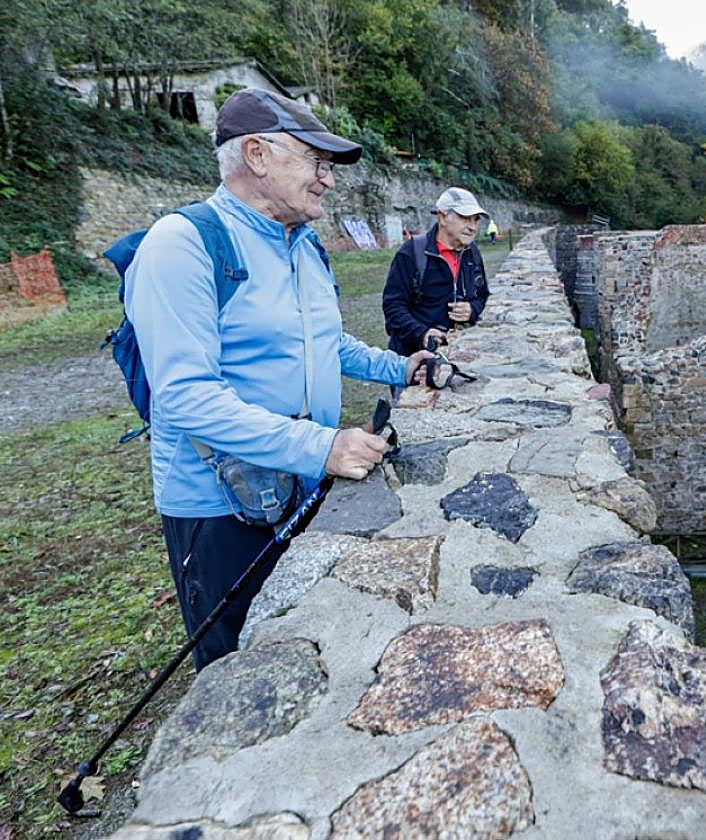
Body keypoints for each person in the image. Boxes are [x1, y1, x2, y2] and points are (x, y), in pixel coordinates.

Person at [123, 88, 431, 670]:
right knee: (238, 668)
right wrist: (322, 446)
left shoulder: (304, 247)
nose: (328, 180)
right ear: (257, 155)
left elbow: (323, 342)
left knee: (305, 647)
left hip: (301, 487)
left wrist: (400, 366)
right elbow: (185, 398)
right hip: (220, 510)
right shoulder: (182, 245)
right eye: (316, 161)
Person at [382, 187, 490, 361]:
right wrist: (421, 333)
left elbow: (482, 295)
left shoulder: (472, 253)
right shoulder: (411, 252)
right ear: (442, 217)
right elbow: (393, 306)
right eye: (464, 218)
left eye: (475, 220)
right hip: (412, 358)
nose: (472, 227)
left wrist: (472, 310)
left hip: (458, 355)